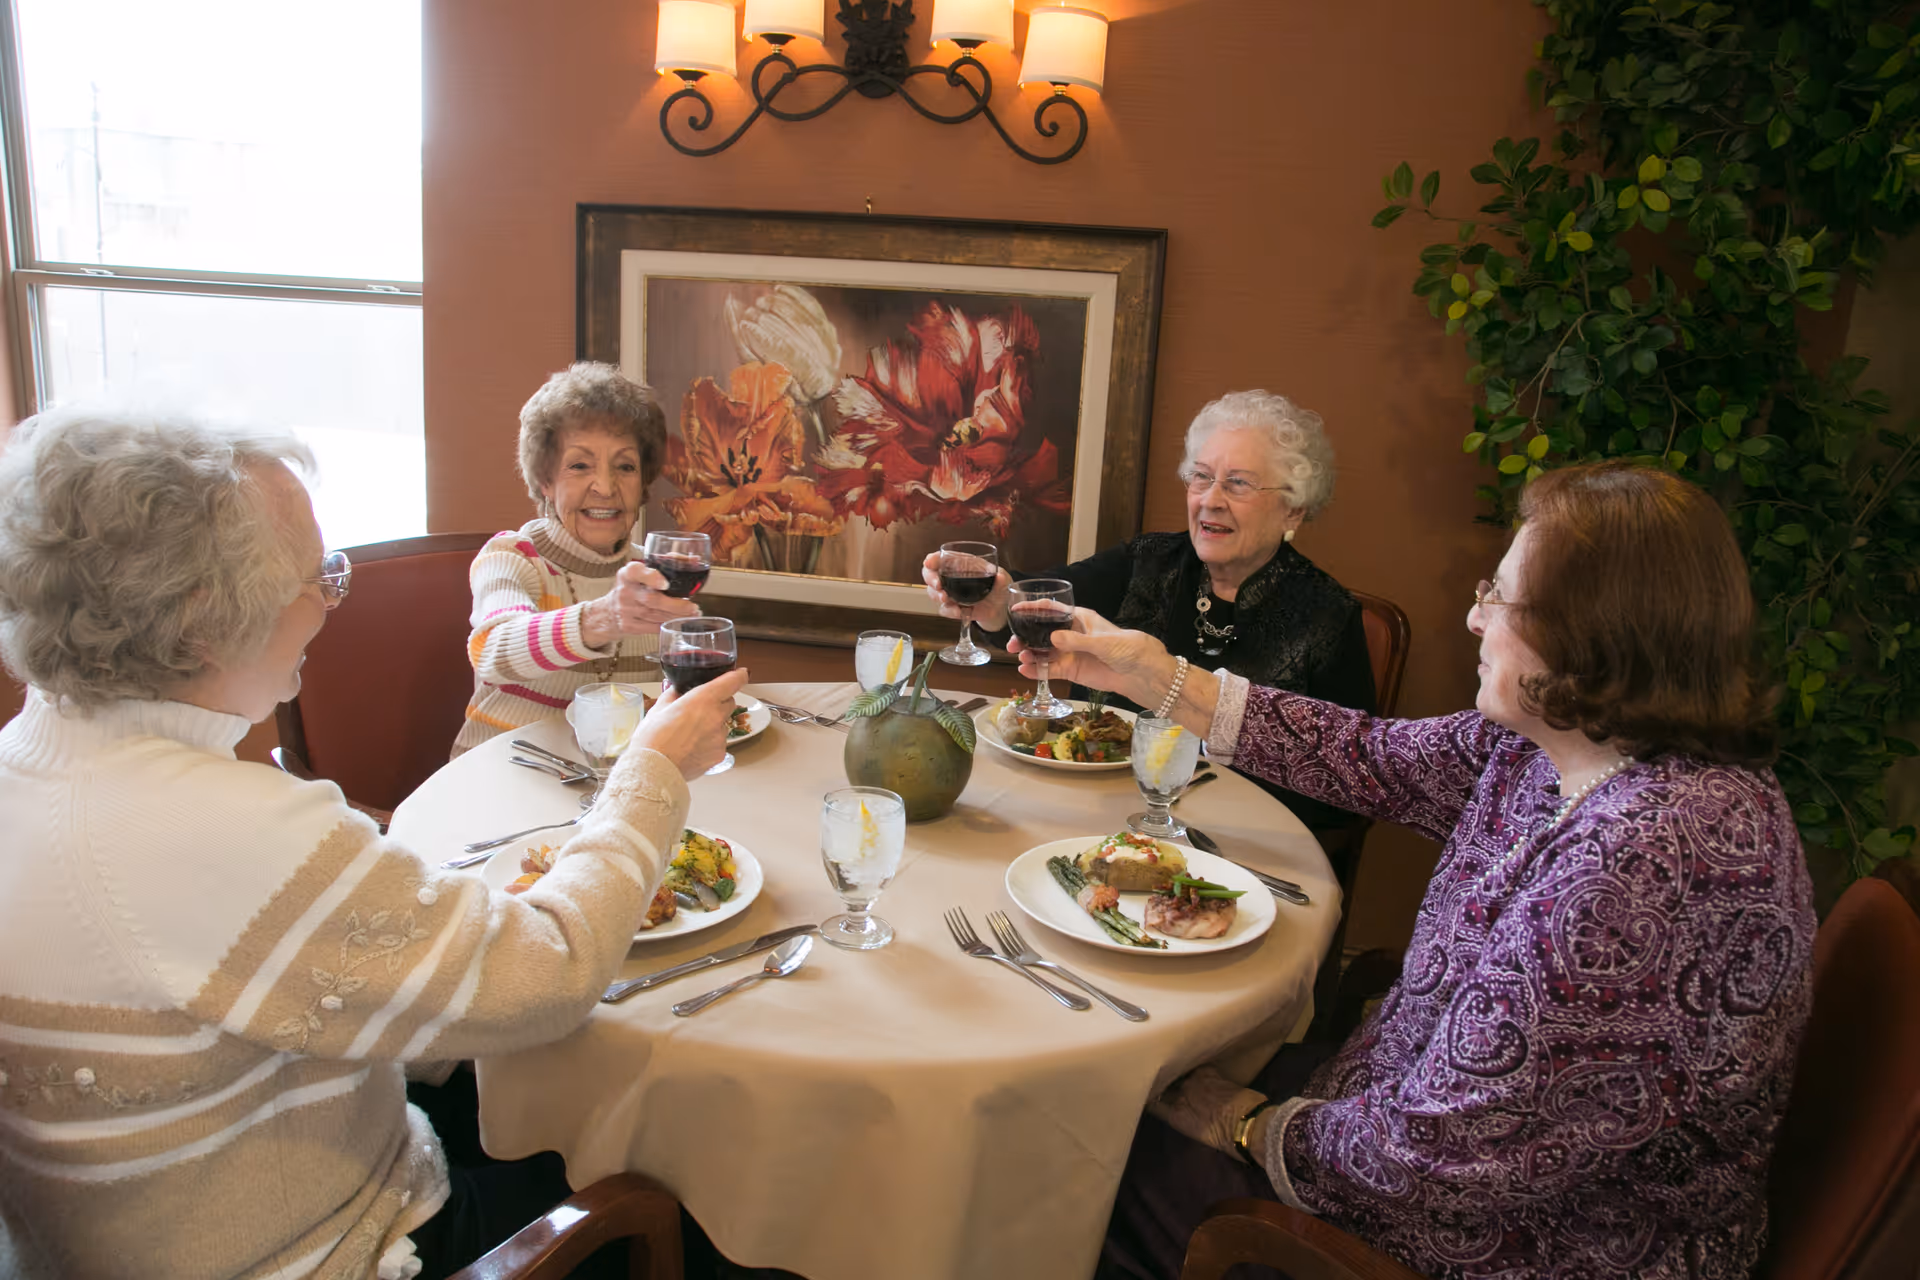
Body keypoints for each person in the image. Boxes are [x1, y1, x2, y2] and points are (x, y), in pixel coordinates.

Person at [1014, 462, 1815, 1280]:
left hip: (1517, 1245)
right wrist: (1154, 676)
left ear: (1597, 630)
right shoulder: (1561, 741)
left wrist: (1249, 1125)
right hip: (1392, 1109)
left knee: (1077, 1169)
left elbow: (1422, 1162)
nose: (1472, 619)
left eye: (1499, 598)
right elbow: (1364, 757)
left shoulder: (1640, 868)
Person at [0, 407, 749, 1280]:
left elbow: (311, 987)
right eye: (315, 575)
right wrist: (652, 771)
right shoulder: (230, 831)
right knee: (708, 1196)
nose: (328, 599)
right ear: (207, 616)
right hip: (351, 1247)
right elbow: (553, 976)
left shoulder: (31, 766)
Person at [922, 389, 1374, 833]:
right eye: (1200, 476)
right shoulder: (1149, 560)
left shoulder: (1326, 615)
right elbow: (1044, 607)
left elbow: (1347, 797)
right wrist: (997, 601)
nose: (1210, 499)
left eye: (1238, 483)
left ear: (1292, 508)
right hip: (1106, 820)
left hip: (1241, 843)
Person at [455, 362, 699, 755]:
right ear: (546, 481)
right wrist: (602, 618)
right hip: (502, 776)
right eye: (580, 466)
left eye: (625, 467)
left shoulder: (653, 577)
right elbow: (492, 650)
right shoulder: (511, 557)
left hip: (603, 788)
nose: (605, 487)